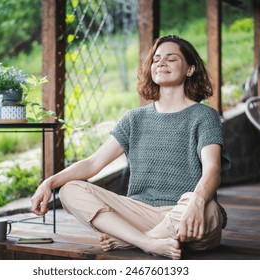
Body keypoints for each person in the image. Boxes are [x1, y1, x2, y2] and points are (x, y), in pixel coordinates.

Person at [31, 34, 231, 259]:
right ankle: (148, 241)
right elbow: (94, 163)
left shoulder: (204, 116)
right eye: (156, 59)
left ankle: (130, 239)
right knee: (69, 190)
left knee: (209, 208)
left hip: (188, 216)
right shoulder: (134, 119)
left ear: (190, 70)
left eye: (171, 58)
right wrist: (50, 182)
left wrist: (197, 201)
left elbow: (212, 170)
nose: (161, 63)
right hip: (139, 212)